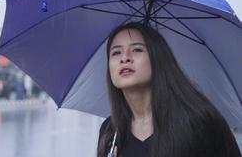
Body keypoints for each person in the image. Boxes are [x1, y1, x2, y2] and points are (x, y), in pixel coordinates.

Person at [97, 22, 241, 157]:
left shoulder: (198, 121)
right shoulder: (110, 131)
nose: (125, 58)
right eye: (116, 52)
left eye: (137, 49)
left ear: (158, 58)